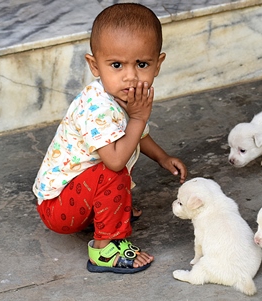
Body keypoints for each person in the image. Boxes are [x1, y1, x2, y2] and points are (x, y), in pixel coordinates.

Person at [33, 3, 187, 274]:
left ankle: (108, 212)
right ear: (94, 65)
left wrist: (162, 157)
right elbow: (116, 161)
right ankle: (104, 250)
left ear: (158, 64)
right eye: (116, 65)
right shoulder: (97, 107)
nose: (130, 76)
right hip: (58, 209)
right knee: (112, 171)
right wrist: (138, 118)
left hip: (79, 198)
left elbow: (137, 135)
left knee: (117, 160)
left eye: (142, 64)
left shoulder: (121, 93)